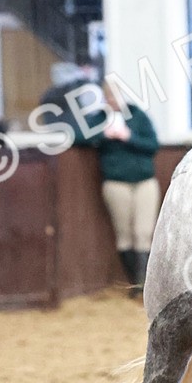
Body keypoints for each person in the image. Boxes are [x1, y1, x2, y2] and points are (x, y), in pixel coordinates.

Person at [75, 82, 160, 297]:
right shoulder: (99, 119)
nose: (113, 101)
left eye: (116, 96)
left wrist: (128, 137)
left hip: (144, 181)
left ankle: (145, 285)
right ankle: (135, 284)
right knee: (125, 235)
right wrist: (103, 135)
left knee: (143, 233)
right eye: (109, 97)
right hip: (116, 182)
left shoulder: (138, 116)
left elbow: (152, 144)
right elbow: (78, 137)